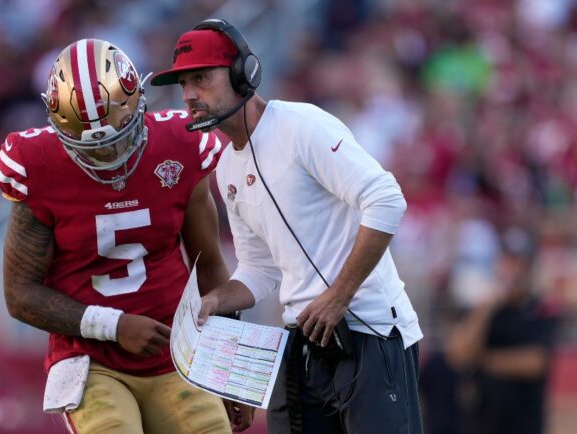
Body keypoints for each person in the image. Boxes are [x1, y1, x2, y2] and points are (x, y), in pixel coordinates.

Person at [151, 19, 423, 433]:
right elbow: (259, 270)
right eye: (184, 83)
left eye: (202, 79)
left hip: (371, 331)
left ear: (244, 75)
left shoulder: (302, 125)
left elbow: (386, 201)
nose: (189, 95)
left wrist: (338, 295)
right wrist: (213, 301)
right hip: (304, 340)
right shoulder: (225, 169)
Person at [0, 38, 253, 433]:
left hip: (176, 352)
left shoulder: (180, 145)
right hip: (90, 360)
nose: (106, 157)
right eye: (91, 148)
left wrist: (229, 372)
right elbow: (20, 295)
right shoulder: (37, 164)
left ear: (140, 102)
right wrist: (113, 326)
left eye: (118, 138)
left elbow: (211, 267)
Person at [445, 231, 559, 434]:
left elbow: (536, 362)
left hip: (525, 422)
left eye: (519, 263)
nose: (512, 270)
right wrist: (488, 306)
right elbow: (458, 354)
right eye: (507, 262)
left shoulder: (540, 309)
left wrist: (482, 361)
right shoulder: (483, 308)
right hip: (481, 421)